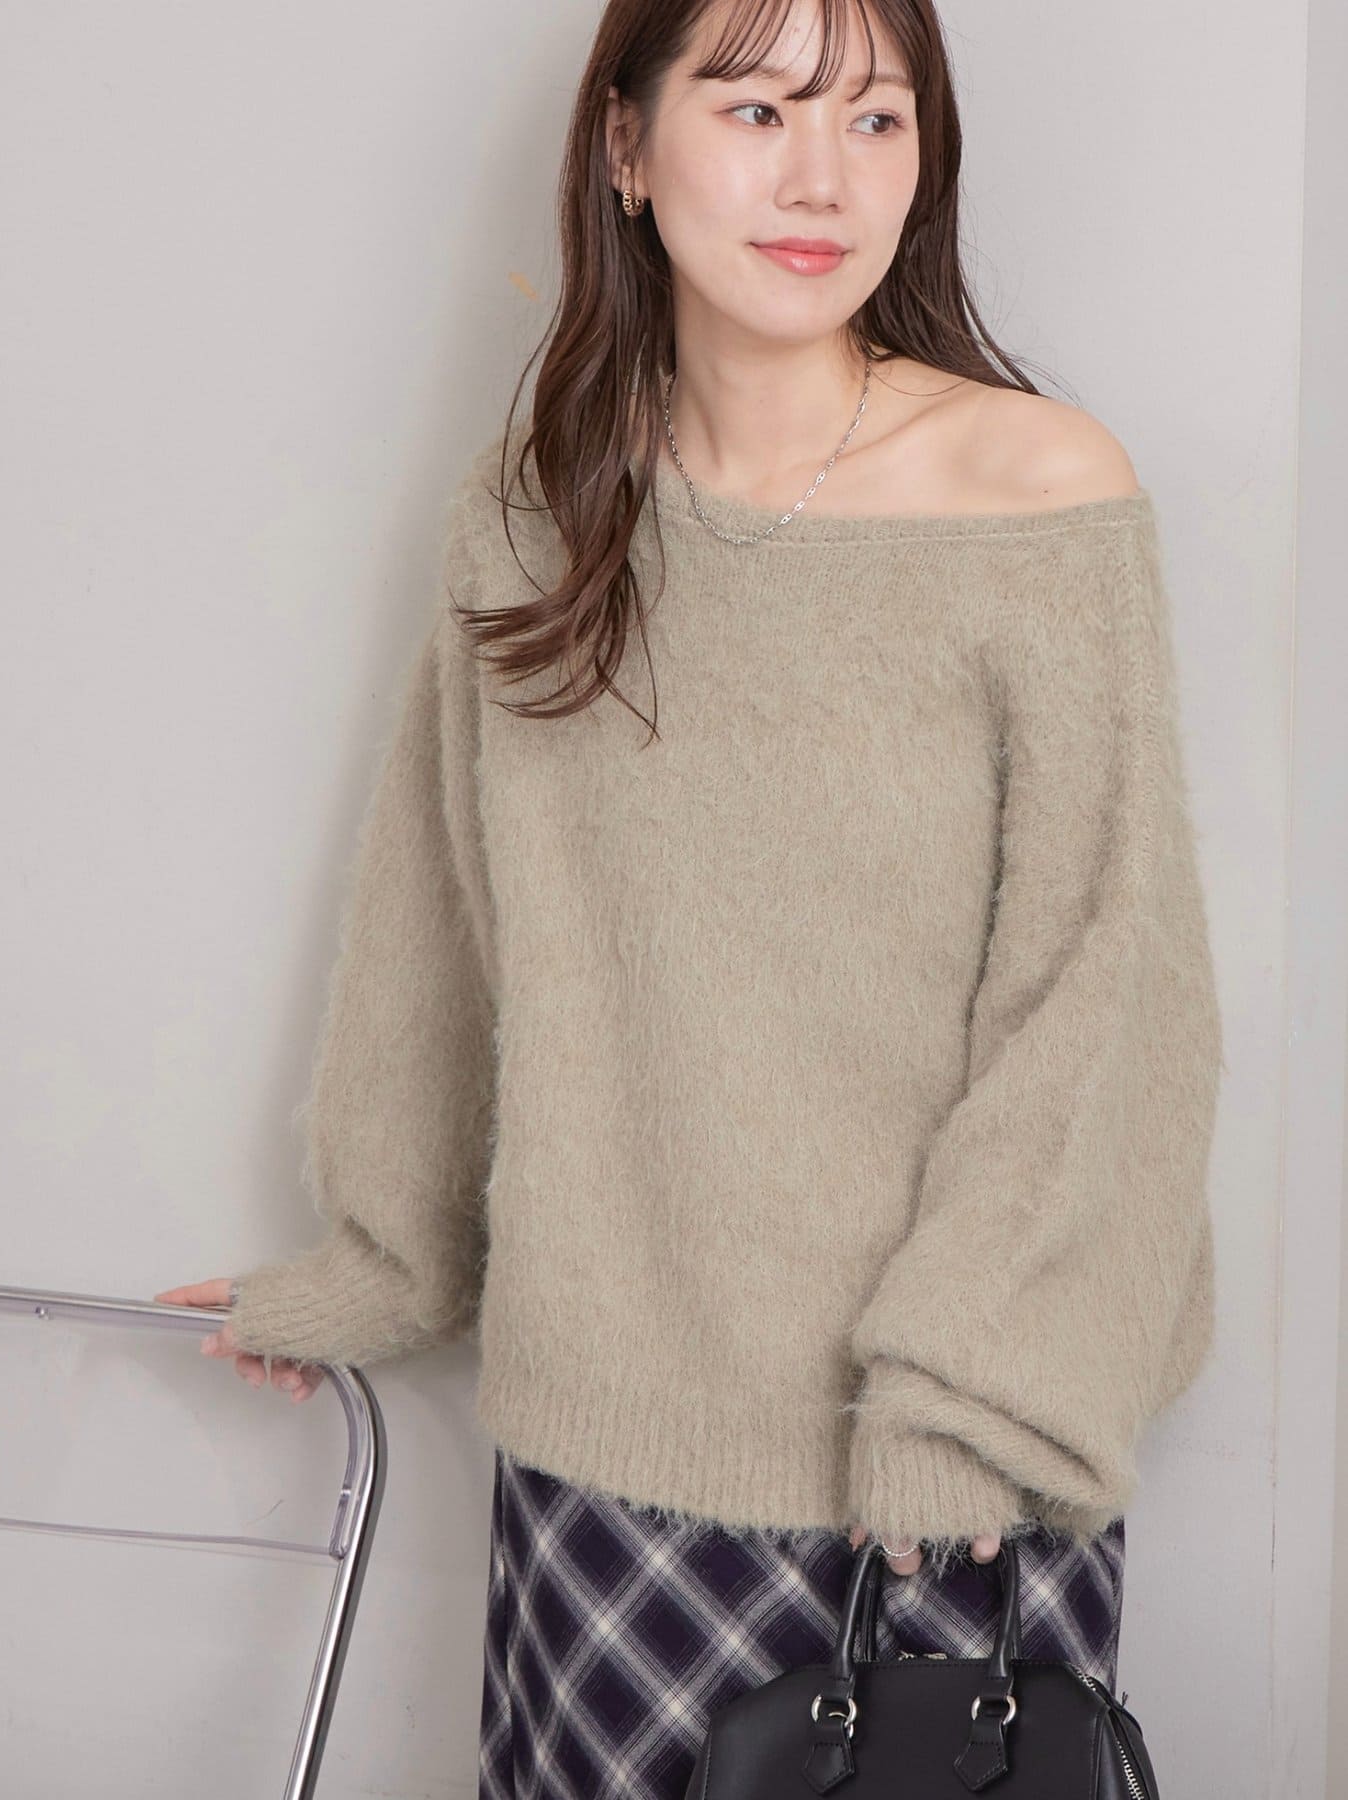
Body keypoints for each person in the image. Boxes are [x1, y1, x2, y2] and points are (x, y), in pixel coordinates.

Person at [157, 0, 1224, 1793]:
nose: (823, 178)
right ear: (627, 148)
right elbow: (446, 918)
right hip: (601, 1453)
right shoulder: (541, 508)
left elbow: (1110, 991)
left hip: (937, 1475)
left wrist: (976, 1398)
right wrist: (383, 1262)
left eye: (876, 119)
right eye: (757, 109)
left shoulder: (1036, 493)